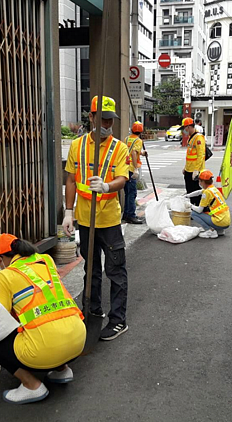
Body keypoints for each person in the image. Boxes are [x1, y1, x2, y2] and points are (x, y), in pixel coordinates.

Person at [0, 234, 86, 404]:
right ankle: (62, 370)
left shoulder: (6, 275)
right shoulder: (46, 260)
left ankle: (31, 386)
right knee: (47, 319)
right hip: (78, 340)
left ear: (1, 258)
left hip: (46, 350)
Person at [63, 95, 130, 341]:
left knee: (116, 271)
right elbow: (70, 179)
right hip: (85, 220)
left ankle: (118, 320)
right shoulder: (77, 146)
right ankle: (92, 310)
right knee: (90, 269)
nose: (107, 124)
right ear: (91, 117)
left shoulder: (119, 148)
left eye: (110, 121)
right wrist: (68, 212)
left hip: (109, 221)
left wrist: (106, 186)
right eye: (102, 119)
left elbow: (122, 179)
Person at [184, 170, 231, 239]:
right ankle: (219, 230)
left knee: (194, 213)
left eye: (200, 181)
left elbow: (199, 210)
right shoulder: (212, 188)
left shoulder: (207, 193)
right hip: (225, 221)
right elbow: (199, 192)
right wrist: (187, 196)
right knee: (206, 211)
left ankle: (209, 231)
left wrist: (189, 205)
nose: (199, 183)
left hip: (219, 221)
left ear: (203, 182)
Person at [123, 121, 147, 224]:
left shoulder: (127, 138)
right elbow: (133, 152)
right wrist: (136, 168)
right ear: (141, 131)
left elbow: (130, 150)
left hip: (124, 168)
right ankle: (131, 216)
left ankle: (126, 214)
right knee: (132, 193)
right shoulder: (138, 141)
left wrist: (141, 153)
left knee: (127, 193)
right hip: (132, 169)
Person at [180, 117, 205, 206]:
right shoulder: (191, 138)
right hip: (189, 169)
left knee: (195, 191)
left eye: (184, 128)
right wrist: (185, 167)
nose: (184, 131)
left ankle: (199, 208)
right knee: (189, 190)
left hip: (194, 170)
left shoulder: (198, 138)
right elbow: (190, 155)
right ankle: (193, 207)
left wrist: (196, 170)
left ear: (188, 127)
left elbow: (201, 155)